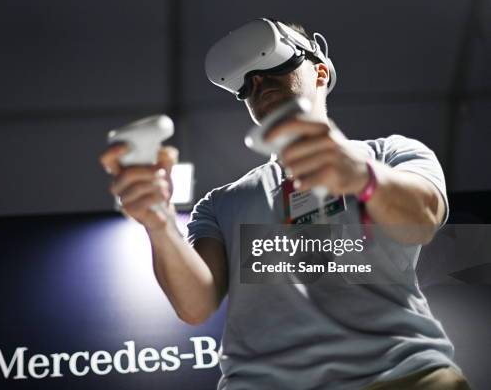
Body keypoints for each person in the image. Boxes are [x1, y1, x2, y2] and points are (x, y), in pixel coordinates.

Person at [100, 20, 470, 390]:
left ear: (320, 73)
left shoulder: (392, 153)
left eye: (274, 67)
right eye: (247, 84)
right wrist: (158, 220)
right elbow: (195, 306)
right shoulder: (219, 203)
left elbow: (423, 220)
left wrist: (361, 175)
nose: (259, 84)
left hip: (404, 375)